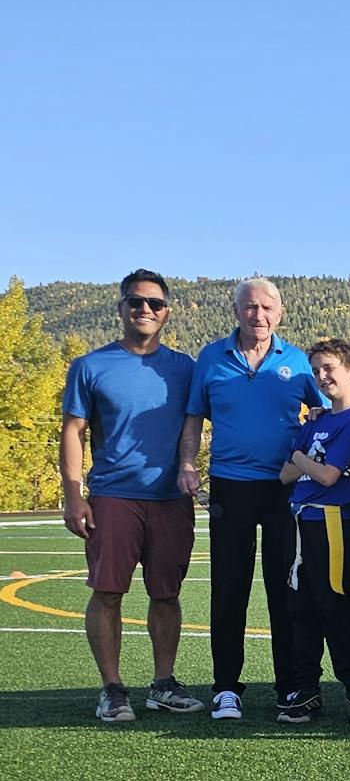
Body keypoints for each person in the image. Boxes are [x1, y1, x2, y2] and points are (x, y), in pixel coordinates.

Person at [59, 268, 203, 723]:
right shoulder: (90, 366)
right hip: (113, 495)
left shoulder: (185, 368)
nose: (145, 309)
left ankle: (163, 683)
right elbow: (74, 431)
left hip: (170, 499)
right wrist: (73, 494)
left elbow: (196, 421)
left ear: (167, 312)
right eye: (136, 301)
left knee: (167, 594)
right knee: (107, 592)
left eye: (155, 303)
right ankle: (112, 689)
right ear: (121, 308)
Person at [178, 277, 325, 719]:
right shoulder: (211, 358)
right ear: (236, 311)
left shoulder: (297, 361)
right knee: (228, 589)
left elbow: (324, 412)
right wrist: (187, 464)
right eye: (249, 306)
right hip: (230, 487)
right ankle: (226, 687)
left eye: (266, 307)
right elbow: (193, 418)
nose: (258, 315)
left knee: (285, 591)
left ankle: (289, 686)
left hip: (284, 489)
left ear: (280, 313)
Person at [277, 340, 350, 724]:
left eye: (329, 368)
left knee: (335, 608)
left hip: (331, 522)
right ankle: (307, 690)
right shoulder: (316, 421)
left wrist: (301, 457)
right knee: (300, 609)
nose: (321, 376)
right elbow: (285, 476)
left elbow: (327, 475)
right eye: (316, 370)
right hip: (301, 522)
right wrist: (305, 461)